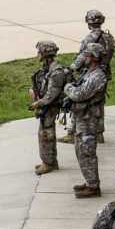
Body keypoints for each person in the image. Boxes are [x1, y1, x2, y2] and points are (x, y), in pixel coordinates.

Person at [59, 10, 115, 145]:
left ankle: (72, 132)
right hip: (104, 71)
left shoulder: (90, 38)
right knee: (98, 103)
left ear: (89, 23)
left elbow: (82, 56)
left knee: (78, 99)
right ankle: (99, 133)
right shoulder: (109, 37)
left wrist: (70, 69)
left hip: (89, 72)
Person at [64, 43, 108, 198]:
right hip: (82, 116)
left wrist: (67, 87)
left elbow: (79, 94)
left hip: (89, 118)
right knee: (80, 150)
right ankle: (90, 181)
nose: (84, 57)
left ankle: (93, 187)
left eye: (87, 55)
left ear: (95, 57)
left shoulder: (97, 76)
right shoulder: (89, 72)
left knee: (87, 151)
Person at [28, 41, 66, 174]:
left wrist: (38, 104)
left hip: (50, 106)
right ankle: (51, 161)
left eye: (39, 52)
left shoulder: (56, 72)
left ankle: (48, 162)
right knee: (45, 132)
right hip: (45, 105)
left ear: (46, 54)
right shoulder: (46, 68)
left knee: (46, 134)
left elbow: (52, 94)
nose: (37, 54)